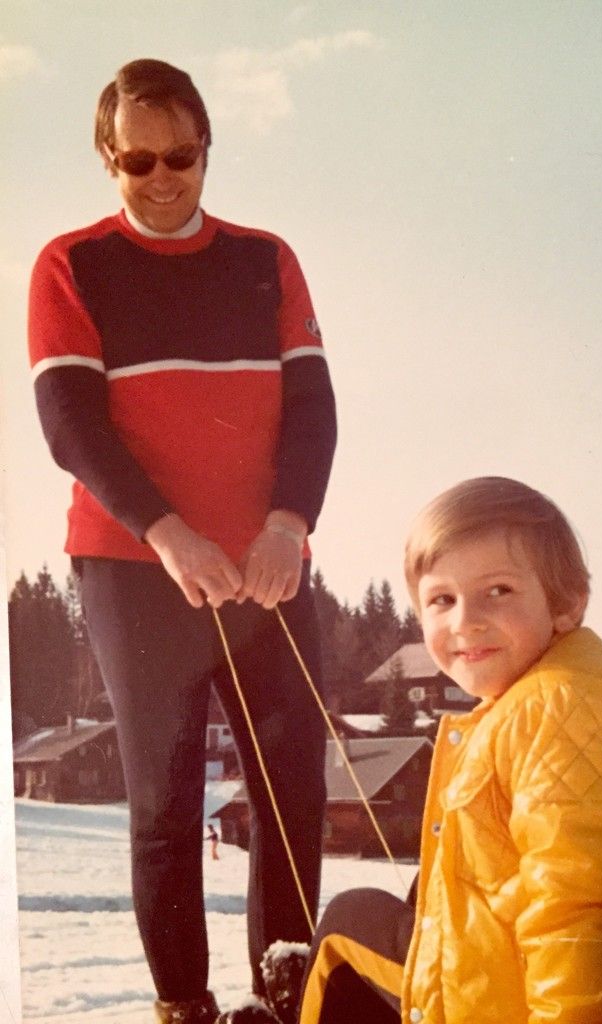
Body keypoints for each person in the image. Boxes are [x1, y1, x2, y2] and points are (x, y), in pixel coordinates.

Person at [28, 59, 336, 1024]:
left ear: (208, 147)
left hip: (266, 566)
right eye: (138, 161)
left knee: (290, 789)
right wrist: (168, 536)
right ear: (107, 159)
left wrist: (287, 526)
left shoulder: (265, 259)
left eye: (183, 157)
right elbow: (71, 425)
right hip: (136, 565)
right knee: (163, 800)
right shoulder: (71, 264)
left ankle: (284, 999)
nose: (163, 179)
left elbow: (314, 410)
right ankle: (184, 1007)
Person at [299, 477, 602, 1024]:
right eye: (443, 599)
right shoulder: (573, 682)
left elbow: (581, 917)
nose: (466, 621)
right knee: (397, 903)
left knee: (344, 928)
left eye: (499, 591)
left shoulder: (555, 707)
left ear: (565, 603)